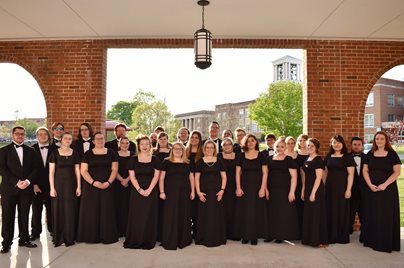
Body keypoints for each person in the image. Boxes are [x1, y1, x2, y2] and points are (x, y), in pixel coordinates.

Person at [0, 126, 38, 253]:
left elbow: (35, 169)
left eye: (22, 134)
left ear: (25, 135)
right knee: (7, 216)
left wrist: (27, 182)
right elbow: (2, 170)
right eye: (17, 134)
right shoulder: (3, 151)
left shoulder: (31, 150)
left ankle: (24, 239)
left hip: (26, 189)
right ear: (12, 135)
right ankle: (6, 243)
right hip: (9, 189)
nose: (20, 136)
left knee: (24, 215)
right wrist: (16, 182)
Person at [362, 131, 401, 253]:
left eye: (381, 139)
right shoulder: (370, 154)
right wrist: (370, 185)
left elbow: (397, 172)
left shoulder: (392, 154)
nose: (379, 141)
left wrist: (384, 185)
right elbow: (365, 171)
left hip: (387, 190)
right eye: (377, 139)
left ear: (386, 141)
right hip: (372, 189)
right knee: (372, 213)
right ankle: (371, 240)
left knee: (385, 214)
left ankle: (385, 242)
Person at [77, 132, 119, 244]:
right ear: (93, 141)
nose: (100, 140)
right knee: (92, 210)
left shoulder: (111, 153)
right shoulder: (87, 154)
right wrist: (93, 182)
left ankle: (107, 236)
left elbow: (114, 169)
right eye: (97, 139)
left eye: (102, 138)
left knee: (106, 210)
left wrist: (109, 182)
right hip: (91, 187)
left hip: (107, 185)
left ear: (104, 140)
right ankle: (91, 236)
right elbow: (83, 171)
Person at [124, 135, 161, 249]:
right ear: (138, 146)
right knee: (137, 216)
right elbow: (132, 177)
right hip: (136, 191)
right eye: (142, 144)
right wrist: (140, 190)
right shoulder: (133, 159)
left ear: (150, 145)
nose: (144, 146)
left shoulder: (155, 159)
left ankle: (148, 240)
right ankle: (136, 239)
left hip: (151, 190)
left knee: (149, 215)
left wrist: (149, 190)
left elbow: (156, 176)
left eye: (147, 144)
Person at [159, 142, 195, 250]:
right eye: (175, 148)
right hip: (170, 193)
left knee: (183, 215)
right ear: (172, 150)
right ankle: (170, 239)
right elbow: (161, 179)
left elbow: (191, 178)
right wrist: (161, 192)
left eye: (180, 149)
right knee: (171, 215)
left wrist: (193, 191)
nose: (177, 150)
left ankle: (183, 239)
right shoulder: (166, 162)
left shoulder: (188, 162)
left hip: (184, 193)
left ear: (183, 150)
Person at [49, 132, 81, 247]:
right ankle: (59, 237)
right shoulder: (54, 153)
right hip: (58, 186)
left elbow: (77, 171)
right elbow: (51, 172)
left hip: (71, 186)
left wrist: (79, 186)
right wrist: (52, 188)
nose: (68, 140)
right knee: (58, 210)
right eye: (66, 138)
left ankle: (69, 237)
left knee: (70, 211)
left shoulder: (75, 154)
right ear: (61, 140)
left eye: (70, 139)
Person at [235, 134, 268, 245]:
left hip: (257, 187)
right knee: (244, 211)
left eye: (252, 141)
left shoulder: (262, 155)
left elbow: (265, 173)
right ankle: (245, 235)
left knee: (255, 211)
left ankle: (254, 236)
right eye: (248, 141)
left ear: (256, 142)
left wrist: (263, 188)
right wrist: (238, 187)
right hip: (244, 187)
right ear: (245, 143)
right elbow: (238, 173)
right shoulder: (241, 156)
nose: (250, 143)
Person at [266, 138, 300, 243]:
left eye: (282, 146)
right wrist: (266, 189)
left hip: (285, 191)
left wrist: (292, 192)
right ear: (274, 147)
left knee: (283, 213)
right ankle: (271, 235)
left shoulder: (289, 159)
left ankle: (281, 235)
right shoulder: (269, 159)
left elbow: (294, 177)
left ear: (285, 147)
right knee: (271, 212)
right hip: (272, 190)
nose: (279, 148)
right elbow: (265, 175)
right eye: (277, 146)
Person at [195, 140, 227, 247]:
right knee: (205, 215)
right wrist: (198, 192)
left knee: (216, 215)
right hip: (204, 193)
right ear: (204, 149)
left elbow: (224, 177)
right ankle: (203, 238)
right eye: (207, 147)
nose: (209, 149)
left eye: (211, 147)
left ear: (214, 149)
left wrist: (222, 190)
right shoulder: (200, 162)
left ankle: (217, 237)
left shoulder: (219, 161)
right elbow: (196, 178)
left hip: (217, 193)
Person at [324, 135, 355, 244]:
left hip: (342, 188)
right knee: (330, 210)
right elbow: (325, 172)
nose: (336, 145)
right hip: (330, 188)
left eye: (338, 142)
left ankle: (341, 237)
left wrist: (348, 189)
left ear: (342, 144)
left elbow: (351, 174)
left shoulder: (347, 157)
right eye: (334, 143)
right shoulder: (328, 156)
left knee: (342, 211)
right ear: (331, 144)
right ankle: (331, 236)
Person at [301, 138, 327, 247]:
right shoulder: (307, 158)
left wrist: (313, 193)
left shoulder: (318, 160)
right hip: (307, 188)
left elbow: (318, 178)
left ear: (316, 147)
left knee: (316, 214)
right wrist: (303, 190)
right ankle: (308, 239)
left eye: (311, 145)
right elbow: (305, 176)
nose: (309, 147)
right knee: (309, 214)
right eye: (308, 145)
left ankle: (318, 240)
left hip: (316, 189)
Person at [30, 127, 54, 241]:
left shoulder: (55, 149)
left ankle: (53, 230)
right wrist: (33, 184)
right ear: (37, 136)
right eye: (40, 134)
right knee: (36, 210)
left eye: (45, 134)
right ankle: (35, 232)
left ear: (48, 136)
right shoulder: (31, 150)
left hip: (51, 185)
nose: (43, 136)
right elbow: (28, 169)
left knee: (51, 209)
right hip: (36, 185)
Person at [218, 137, 239, 240]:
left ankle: (234, 233)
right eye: (224, 145)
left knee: (234, 209)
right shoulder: (218, 156)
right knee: (222, 208)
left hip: (235, 185)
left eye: (229, 144)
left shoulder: (239, 156)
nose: (227, 146)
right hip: (221, 185)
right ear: (222, 147)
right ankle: (223, 233)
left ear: (232, 146)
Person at [113, 137, 133, 237]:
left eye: (127, 143)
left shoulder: (133, 155)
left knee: (129, 206)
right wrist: (122, 180)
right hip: (118, 183)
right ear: (119, 144)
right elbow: (114, 170)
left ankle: (128, 229)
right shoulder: (115, 154)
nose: (125, 145)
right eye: (123, 143)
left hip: (130, 183)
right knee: (119, 206)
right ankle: (119, 230)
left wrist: (127, 179)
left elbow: (135, 169)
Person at [185, 130, 203, 237]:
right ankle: (187, 232)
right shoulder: (185, 151)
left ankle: (197, 232)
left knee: (198, 208)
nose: (194, 139)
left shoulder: (203, 151)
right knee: (188, 208)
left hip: (200, 182)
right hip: (186, 183)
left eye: (197, 137)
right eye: (192, 137)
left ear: (199, 140)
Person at [349, 137, 366, 240]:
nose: (357, 146)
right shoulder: (346, 157)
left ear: (362, 146)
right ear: (351, 145)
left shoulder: (368, 157)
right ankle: (347, 232)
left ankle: (365, 234)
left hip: (364, 191)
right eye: (354, 144)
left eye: (359, 144)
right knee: (349, 213)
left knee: (364, 213)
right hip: (351, 191)